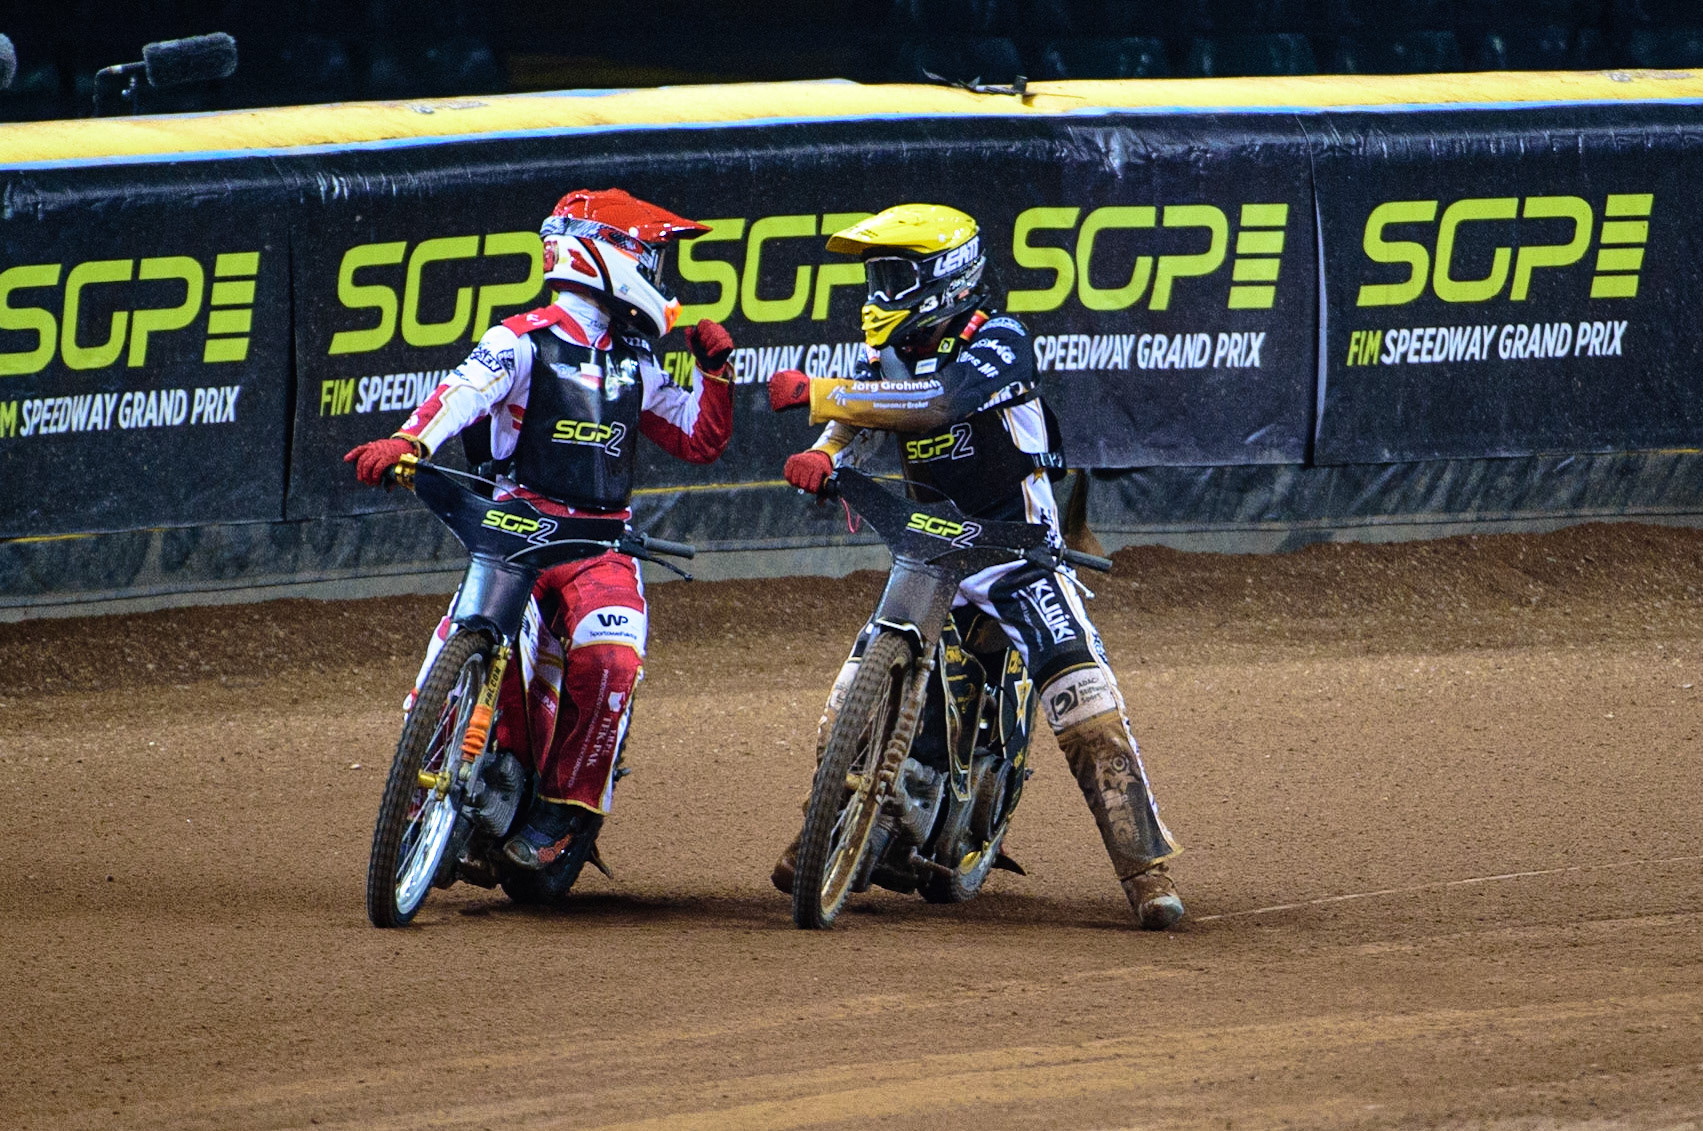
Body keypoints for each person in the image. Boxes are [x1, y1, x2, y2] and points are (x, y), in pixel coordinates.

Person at [765, 203, 1184, 929]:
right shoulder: (884, 359)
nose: (876, 293)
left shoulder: (999, 337)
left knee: (1082, 698)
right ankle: (824, 826)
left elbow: (940, 402)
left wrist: (819, 393)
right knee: (845, 694)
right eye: (874, 276)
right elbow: (861, 422)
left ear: (944, 278)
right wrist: (824, 455)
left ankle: (1144, 869)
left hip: (1014, 552)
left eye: (892, 275)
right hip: (930, 547)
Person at [344, 188, 735, 870]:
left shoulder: (636, 359)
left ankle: (565, 812)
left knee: (611, 655)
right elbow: (462, 392)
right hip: (512, 525)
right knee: (453, 643)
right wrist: (409, 441)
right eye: (651, 254)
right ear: (610, 256)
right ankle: (415, 793)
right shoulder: (521, 339)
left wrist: (716, 374)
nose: (660, 273)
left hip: (599, 541)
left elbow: (697, 439)